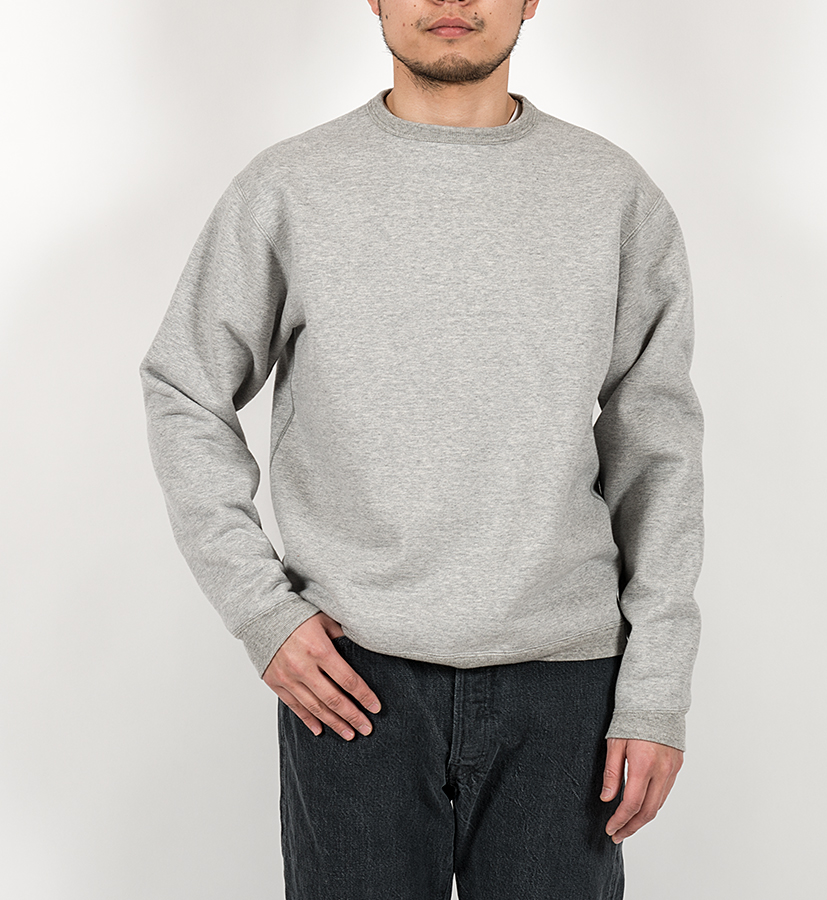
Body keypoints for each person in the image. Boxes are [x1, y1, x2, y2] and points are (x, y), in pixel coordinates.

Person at [140, 1, 704, 897]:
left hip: (566, 688)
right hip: (351, 676)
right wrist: (263, 613)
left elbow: (658, 451)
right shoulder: (288, 188)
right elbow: (185, 390)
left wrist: (656, 689)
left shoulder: (612, 195)